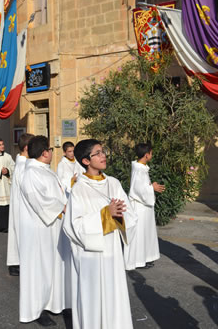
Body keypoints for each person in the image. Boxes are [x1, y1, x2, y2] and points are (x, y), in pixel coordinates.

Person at [62, 139, 137, 329]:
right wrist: (106, 214)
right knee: (93, 299)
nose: (103, 156)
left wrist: (120, 215)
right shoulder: (79, 188)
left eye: (103, 152)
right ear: (86, 161)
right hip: (91, 258)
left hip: (111, 253)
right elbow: (73, 226)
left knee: (114, 296)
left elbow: (130, 214)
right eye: (98, 153)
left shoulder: (113, 183)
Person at [19, 135, 69, 326]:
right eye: (50, 149)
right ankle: (37, 309)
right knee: (39, 269)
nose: (51, 153)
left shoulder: (45, 170)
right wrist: (62, 207)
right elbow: (39, 200)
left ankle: (54, 303)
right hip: (39, 230)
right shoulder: (31, 173)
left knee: (54, 266)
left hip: (53, 227)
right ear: (44, 152)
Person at [124, 142, 165, 270]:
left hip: (144, 206)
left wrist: (150, 187)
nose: (152, 155)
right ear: (146, 155)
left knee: (145, 233)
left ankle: (144, 258)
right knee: (139, 234)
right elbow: (137, 189)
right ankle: (137, 261)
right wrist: (151, 187)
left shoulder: (141, 167)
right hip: (140, 207)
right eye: (151, 153)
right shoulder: (139, 169)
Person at [7, 133, 34, 276]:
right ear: (27, 148)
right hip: (22, 206)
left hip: (20, 205)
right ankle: (17, 263)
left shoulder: (22, 162)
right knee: (20, 233)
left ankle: (16, 262)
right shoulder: (24, 165)